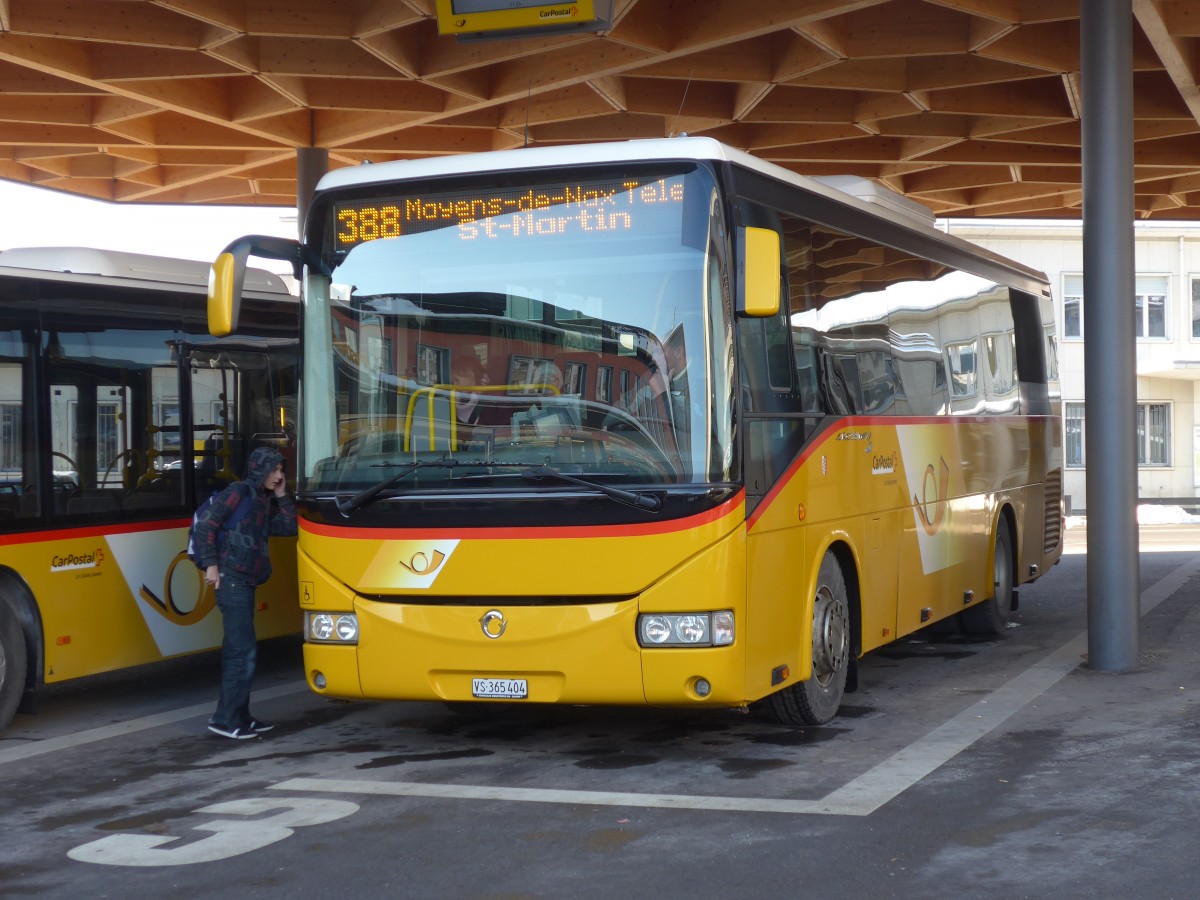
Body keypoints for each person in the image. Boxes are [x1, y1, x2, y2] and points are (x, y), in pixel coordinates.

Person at [193, 446, 297, 740]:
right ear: (258, 469)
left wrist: (281, 496)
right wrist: (212, 566)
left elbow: (290, 527)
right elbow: (205, 527)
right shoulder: (239, 492)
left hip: (245, 583)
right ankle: (226, 720)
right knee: (241, 652)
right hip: (231, 581)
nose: (278, 476)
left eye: (280, 471)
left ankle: (239, 716)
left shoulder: (262, 500)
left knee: (243, 652)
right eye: (274, 470)